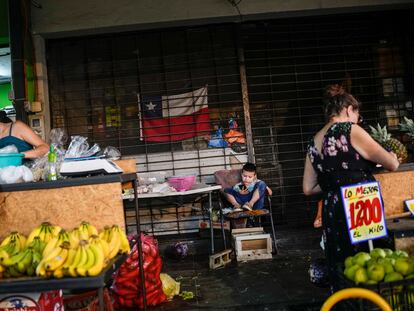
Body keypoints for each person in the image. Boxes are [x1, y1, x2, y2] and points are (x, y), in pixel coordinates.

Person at [302, 84, 399, 288]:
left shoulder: (313, 141)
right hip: (361, 202)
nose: (358, 118)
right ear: (348, 109)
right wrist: (392, 155)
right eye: (357, 113)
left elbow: (309, 188)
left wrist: (335, 183)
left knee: (342, 264)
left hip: (333, 207)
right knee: (370, 263)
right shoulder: (350, 130)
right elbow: (392, 164)